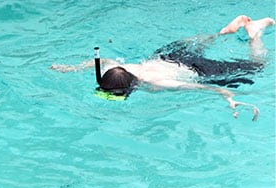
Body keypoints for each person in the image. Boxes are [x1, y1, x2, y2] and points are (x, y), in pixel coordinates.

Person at [51, 15, 275, 120]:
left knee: (258, 66)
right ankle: (222, 33)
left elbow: (203, 88)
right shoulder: (121, 67)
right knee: (193, 45)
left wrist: (227, 97)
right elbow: (101, 61)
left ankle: (255, 33)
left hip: (195, 68)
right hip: (165, 56)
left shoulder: (158, 83)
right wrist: (70, 68)